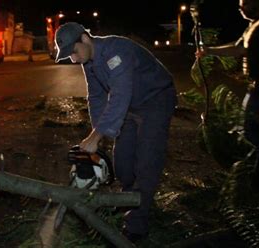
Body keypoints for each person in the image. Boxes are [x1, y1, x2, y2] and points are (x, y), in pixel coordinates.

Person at [54, 22, 177, 242]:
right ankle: (134, 201)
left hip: (156, 100)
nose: (73, 59)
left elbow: (120, 93)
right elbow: (97, 96)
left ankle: (136, 227)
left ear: (85, 38)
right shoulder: (88, 60)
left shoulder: (116, 50)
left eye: (73, 52)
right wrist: (96, 137)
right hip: (131, 105)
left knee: (146, 161)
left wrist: (96, 136)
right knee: (123, 164)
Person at [197, 0, 259, 188]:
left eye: (245, 3)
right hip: (256, 85)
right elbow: (238, 48)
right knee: (253, 128)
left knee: (255, 129)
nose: (240, 7)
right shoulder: (252, 26)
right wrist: (209, 51)